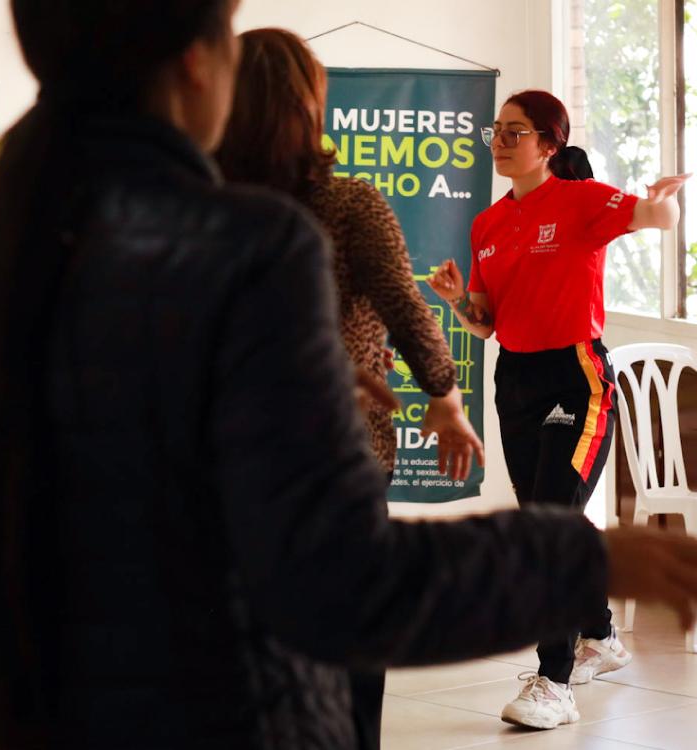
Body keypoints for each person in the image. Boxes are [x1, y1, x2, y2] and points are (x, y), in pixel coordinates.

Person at [0, 0, 697, 747]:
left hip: (29, 714)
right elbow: (340, 579)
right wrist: (577, 557)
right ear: (198, 61)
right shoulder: (251, 246)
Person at [212, 29, 484, 747]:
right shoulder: (349, 203)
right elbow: (405, 306)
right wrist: (447, 401)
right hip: (342, 446)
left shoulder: (202, 202)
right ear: (310, 106)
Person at [425, 90, 690, 730]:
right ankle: (601, 634)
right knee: (551, 517)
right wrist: (461, 301)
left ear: (549, 144)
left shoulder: (580, 199)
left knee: (547, 523)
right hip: (515, 376)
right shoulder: (487, 224)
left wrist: (663, 199)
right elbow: (487, 326)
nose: (500, 140)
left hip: (577, 375)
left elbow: (658, 218)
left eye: (515, 132)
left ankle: (554, 679)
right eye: (497, 130)